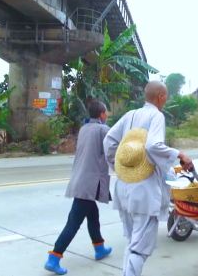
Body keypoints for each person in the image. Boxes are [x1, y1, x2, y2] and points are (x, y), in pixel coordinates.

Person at [104, 81, 193, 276]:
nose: (166, 99)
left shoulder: (130, 115)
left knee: (132, 242)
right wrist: (180, 154)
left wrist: (119, 165)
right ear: (160, 96)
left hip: (123, 186)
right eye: (166, 96)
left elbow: (108, 140)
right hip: (143, 191)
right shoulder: (156, 116)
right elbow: (153, 145)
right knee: (139, 247)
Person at [44, 100, 113, 275]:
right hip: (89, 184)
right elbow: (113, 151)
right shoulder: (103, 130)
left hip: (81, 180)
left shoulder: (85, 129)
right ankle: (54, 257)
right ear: (101, 114)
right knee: (73, 222)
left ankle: (99, 248)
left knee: (93, 216)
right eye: (106, 112)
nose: (107, 115)